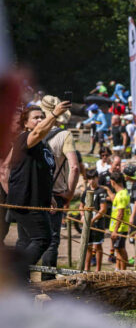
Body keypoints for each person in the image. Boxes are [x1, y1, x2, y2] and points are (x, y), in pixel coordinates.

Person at [7, 103, 69, 269]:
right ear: (25, 123)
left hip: (38, 201)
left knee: (28, 241)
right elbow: (37, 132)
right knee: (42, 238)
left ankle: (21, 277)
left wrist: (49, 196)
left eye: (42, 117)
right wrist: (54, 114)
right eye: (36, 118)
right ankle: (17, 273)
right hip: (25, 200)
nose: (40, 120)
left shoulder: (42, 145)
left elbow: (43, 173)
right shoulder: (24, 138)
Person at [38, 96, 80, 280]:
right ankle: (47, 282)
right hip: (56, 193)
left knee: (27, 238)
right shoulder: (65, 135)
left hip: (33, 192)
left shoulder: (32, 132)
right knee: (52, 239)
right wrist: (69, 192)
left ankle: (21, 279)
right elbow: (75, 167)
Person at [79, 169, 108, 272]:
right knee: (88, 246)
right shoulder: (86, 191)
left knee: (97, 246)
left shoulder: (101, 191)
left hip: (97, 223)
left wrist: (93, 219)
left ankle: (98, 270)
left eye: (93, 178)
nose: (91, 181)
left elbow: (103, 209)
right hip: (87, 223)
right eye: (89, 179)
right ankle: (86, 268)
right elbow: (81, 206)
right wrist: (83, 216)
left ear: (97, 178)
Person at [108, 171, 130, 270]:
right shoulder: (121, 193)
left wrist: (115, 230)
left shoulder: (121, 195)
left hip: (120, 228)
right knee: (118, 249)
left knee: (121, 249)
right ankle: (119, 269)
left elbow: (120, 213)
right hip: (117, 227)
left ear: (112, 182)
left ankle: (124, 271)